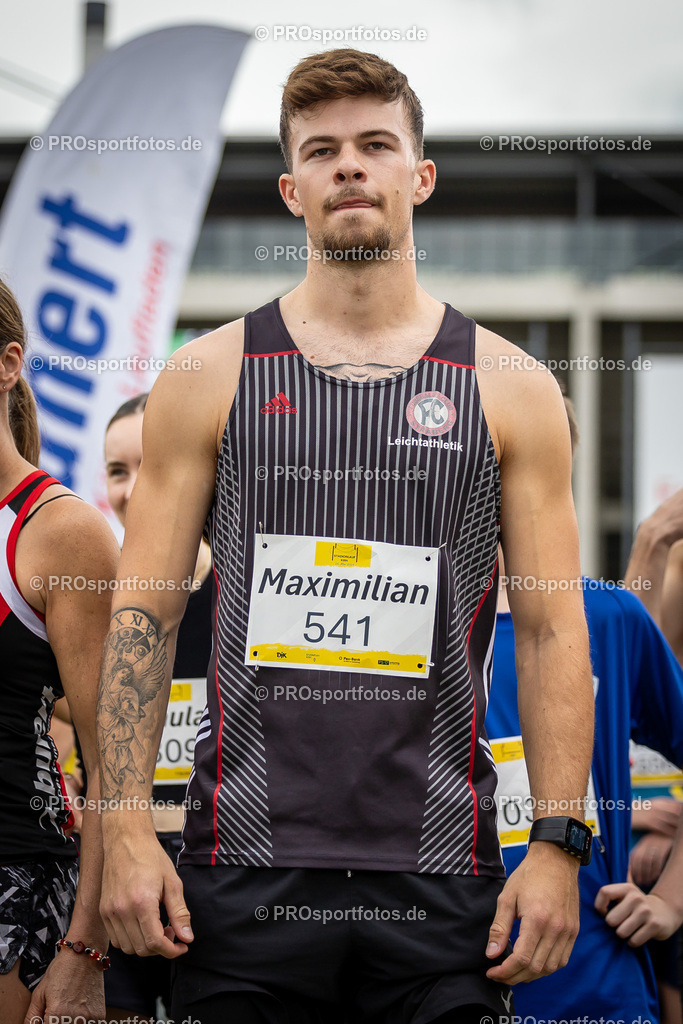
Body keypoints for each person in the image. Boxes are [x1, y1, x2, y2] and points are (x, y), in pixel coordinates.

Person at [98, 49, 595, 1024]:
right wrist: (120, 826)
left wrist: (557, 842)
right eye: (321, 151)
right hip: (239, 870)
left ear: (420, 175)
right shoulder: (205, 377)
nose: (349, 167)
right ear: (291, 189)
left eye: (375, 144)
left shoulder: (510, 386)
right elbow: (143, 615)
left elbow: (548, 632)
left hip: (442, 873)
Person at [486, 395, 683, 1020]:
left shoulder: (609, 616)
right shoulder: (403, 625)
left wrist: (670, 903)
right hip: (428, 984)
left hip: (594, 989)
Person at [0, 278, 119, 1023]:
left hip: (16, 883)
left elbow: (115, 758)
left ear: (8, 363)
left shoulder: (59, 530)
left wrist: (85, 951)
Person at [102, 393, 213, 1021]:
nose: (133, 488)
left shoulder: (246, 598)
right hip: (117, 871)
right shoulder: (90, 596)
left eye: (149, 463)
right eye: (117, 471)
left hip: (219, 875)